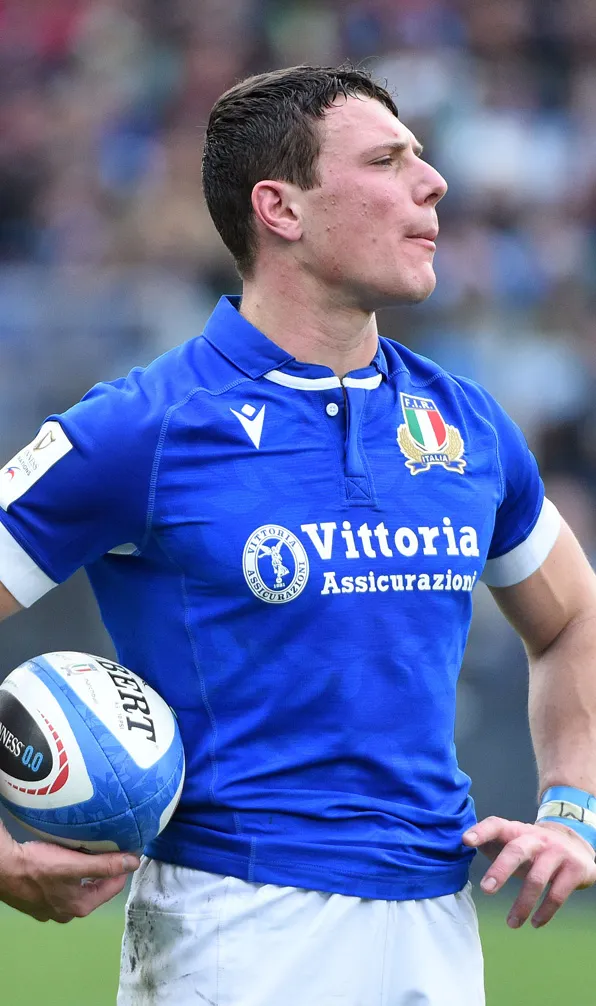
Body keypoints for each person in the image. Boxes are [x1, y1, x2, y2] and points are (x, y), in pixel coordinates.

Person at [0, 64, 595, 1005]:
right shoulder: (140, 427)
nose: (432, 183)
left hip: (442, 928)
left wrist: (572, 810)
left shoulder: (468, 425)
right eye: (389, 160)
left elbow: (572, 620)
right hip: (237, 930)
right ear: (279, 208)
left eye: (425, 158)